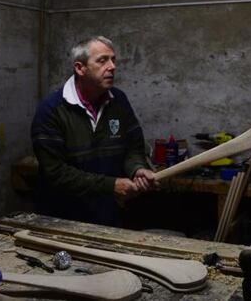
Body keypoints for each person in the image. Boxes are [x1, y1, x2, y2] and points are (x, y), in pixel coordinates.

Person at [31, 35, 157, 226]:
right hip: (63, 218)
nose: (112, 67)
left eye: (113, 59)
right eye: (102, 60)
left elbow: (133, 146)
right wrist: (110, 186)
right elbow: (55, 172)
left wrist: (137, 169)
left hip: (108, 216)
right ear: (80, 68)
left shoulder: (119, 101)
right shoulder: (52, 110)